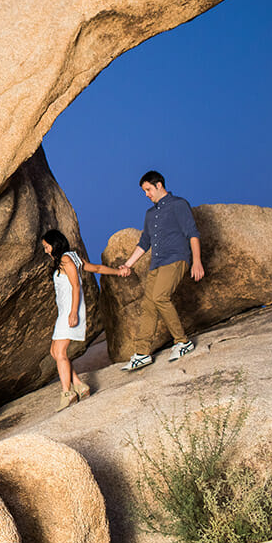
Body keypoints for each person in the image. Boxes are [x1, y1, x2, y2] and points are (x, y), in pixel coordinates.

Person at [117, 170, 204, 371]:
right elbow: (144, 242)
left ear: (159, 185)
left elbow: (192, 233)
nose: (146, 194)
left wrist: (197, 261)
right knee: (148, 305)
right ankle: (142, 353)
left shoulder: (179, 205)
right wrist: (128, 264)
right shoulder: (150, 214)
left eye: (148, 189)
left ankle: (182, 342)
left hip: (176, 259)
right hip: (156, 264)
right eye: (144, 191)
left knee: (160, 298)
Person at [41, 229, 122, 412]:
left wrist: (73, 313)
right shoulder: (72, 258)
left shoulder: (66, 260)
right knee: (55, 352)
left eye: (47, 246)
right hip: (65, 311)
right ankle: (79, 384)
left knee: (60, 352)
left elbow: (76, 285)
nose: (46, 250)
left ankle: (67, 393)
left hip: (70, 311)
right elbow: (98, 268)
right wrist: (118, 272)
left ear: (55, 244)